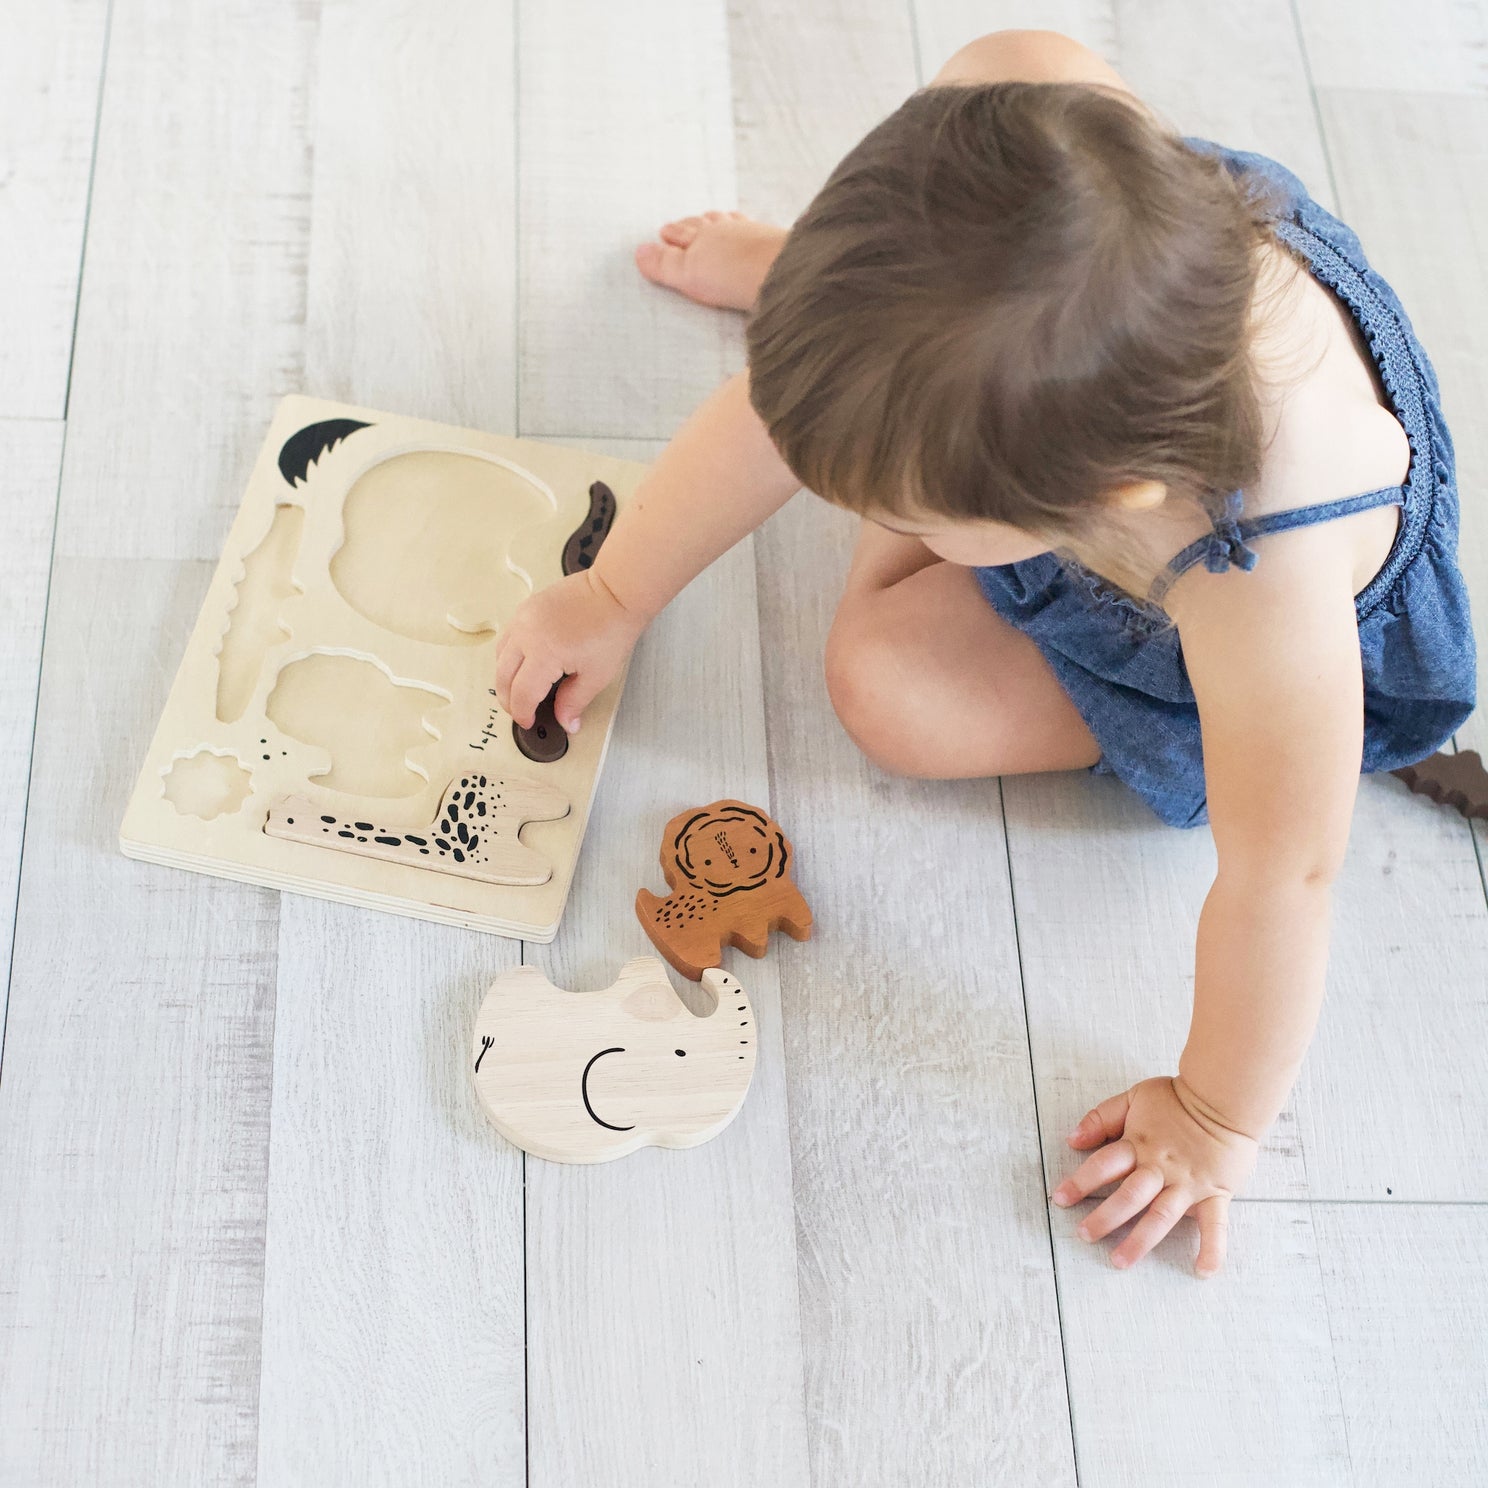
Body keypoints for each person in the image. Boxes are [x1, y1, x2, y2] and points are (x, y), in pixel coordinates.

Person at [492, 31, 1475, 1276]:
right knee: (901, 379)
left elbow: (1287, 877)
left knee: (886, 688)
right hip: (1062, 390)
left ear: (1089, 508)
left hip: (1192, 613)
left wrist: (1215, 1119)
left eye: (889, 505)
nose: (837, 500)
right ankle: (855, 351)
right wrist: (611, 591)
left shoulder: (1263, 582)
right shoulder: (1029, 103)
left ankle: (886, 403)